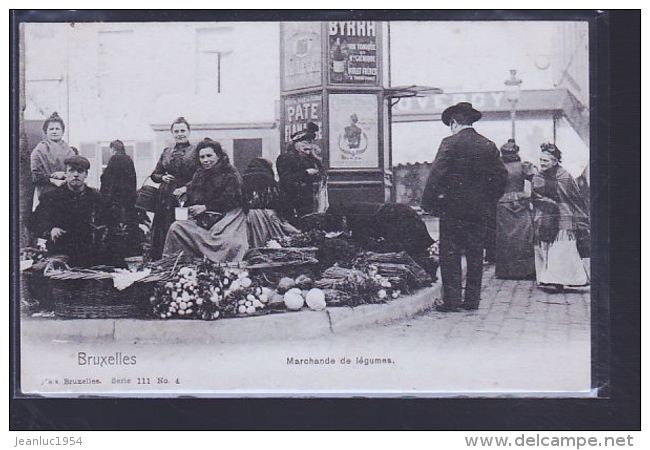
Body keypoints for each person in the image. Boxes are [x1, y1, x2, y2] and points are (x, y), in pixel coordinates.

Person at [421, 102, 507, 312]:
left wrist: (429, 203)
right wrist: (488, 201)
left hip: (452, 210)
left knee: (450, 253)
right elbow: (501, 177)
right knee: (475, 253)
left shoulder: (449, 143)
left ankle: (452, 301)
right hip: (479, 211)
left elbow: (436, 175)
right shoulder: (488, 145)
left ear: (454, 122)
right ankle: (472, 301)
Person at [163, 138, 248, 263]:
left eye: (209, 155)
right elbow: (193, 192)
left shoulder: (230, 173)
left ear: (218, 156)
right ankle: (177, 263)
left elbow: (232, 199)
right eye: (202, 157)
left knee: (230, 243)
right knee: (176, 228)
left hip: (227, 218)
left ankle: (217, 264)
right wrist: (184, 196)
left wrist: (206, 207)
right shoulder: (199, 173)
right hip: (203, 220)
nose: (205, 160)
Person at [532, 143, 589, 289]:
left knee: (562, 248)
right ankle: (547, 277)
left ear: (555, 161)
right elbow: (535, 195)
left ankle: (559, 279)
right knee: (545, 248)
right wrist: (545, 202)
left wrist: (580, 218)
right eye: (541, 160)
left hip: (564, 215)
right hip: (544, 216)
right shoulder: (538, 176)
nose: (542, 163)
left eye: (546, 161)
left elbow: (575, 198)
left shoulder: (565, 176)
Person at [31, 156, 103, 267]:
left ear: (86, 175)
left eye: (80, 171)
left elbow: (106, 222)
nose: (75, 175)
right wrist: (50, 230)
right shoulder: (52, 197)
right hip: (60, 252)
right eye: (71, 170)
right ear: (66, 174)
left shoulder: (96, 198)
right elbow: (34, 221)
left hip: (90, 254)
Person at [149, 117, 199, 260]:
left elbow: (201, 175)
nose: (179, 134)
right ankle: (163, 260)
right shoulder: (166, 152)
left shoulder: (195, 151)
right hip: (166, 197)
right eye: (176, 131)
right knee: (164, 228)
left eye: (182, 130)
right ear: (172, 133)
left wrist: (186, 188)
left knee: (184, 227)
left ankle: (185, 260)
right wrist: (162, 178)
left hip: (187, 197)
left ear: (189, 132)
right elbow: (155, 174)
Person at [494, 139, 537, 279]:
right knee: (524, 236)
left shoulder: (497, 167)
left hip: (503, 202)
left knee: (505, 237)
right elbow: (535, 180)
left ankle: (506, 271)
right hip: (520, 201)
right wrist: (529, 195)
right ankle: (526, 271)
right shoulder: (524, 166)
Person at [276, 122, 327, 226]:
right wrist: (306, 173)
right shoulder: (285, 158)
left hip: (307, 199)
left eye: (309, 143)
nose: (308, 146)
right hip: (291, 199)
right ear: (296, 144)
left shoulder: (309, 159)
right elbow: (286, 179)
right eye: (305, 143)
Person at [99, 139, 140, 265]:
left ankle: (115, 256)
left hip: (115, 200)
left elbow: (107, 180)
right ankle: (130, 253)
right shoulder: (129, 160)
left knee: (114, 229)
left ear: (113, 149)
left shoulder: (114, 159)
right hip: (128, 199)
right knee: (128, 226)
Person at [242, 158, 299, 247]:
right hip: (268, 216)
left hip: (247, 216)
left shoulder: (243, 180)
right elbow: (279, 202)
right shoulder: (270, 181)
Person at [30, 112, 77, 210]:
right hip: (46, 193)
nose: (54, 132)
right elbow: (35, 176)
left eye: (57, 129)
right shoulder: (40, 149)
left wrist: (65, 175)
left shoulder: (69, 150)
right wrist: (52, 178)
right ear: (46, 132)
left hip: (67, 193)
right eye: (51, 129)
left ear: (62, 131)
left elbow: (76, 171)